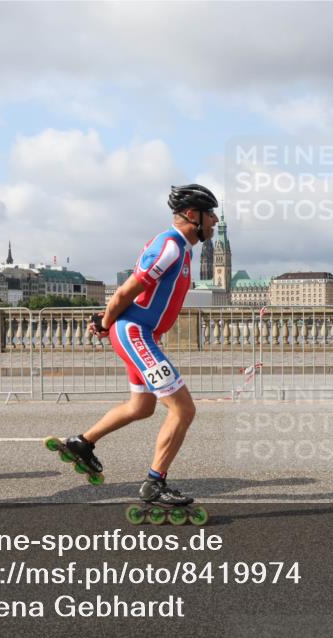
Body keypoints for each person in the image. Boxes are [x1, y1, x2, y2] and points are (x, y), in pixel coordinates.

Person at [51, 184, 218, 516]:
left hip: (141, 333)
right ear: (191, 216)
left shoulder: (182, 249)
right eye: (210, 213)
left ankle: (82, 443)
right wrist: (105, 321)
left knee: (142, 407)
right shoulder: (170, 246)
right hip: (136, 332)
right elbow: (128, 289)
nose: (214, 220)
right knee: (183, 409)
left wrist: (108, 321)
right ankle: (155, 483)